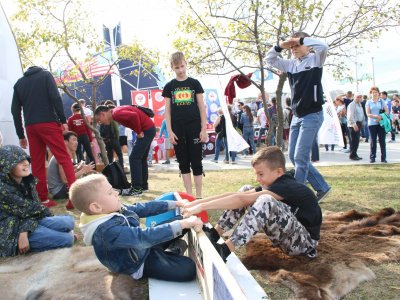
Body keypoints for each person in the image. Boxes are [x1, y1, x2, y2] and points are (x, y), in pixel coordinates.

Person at [183, 146, 321, 262]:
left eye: (261, 174)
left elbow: (242, 200)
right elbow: (239, 196)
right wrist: (198, 202)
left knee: (265, 200)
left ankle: (225, 250)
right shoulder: (277, 182)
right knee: (246, 189)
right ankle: (214, 234)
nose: (257, 179)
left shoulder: (286, 186)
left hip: (304, 246)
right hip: (291, 236)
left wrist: (202, 207)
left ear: (279, 172)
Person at [69, 173, 202, 282]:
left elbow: (142, 208)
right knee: (188, 269)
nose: (116, 193)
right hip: (137, 263)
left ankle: (164, 253)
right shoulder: (106, 231)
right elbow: (143, 237)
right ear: (96, 207)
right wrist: (184, 224)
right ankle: (172, 252)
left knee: (182, 220)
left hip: (141, 246)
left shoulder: (110, 209)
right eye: (110, 193)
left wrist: (176, 204)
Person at [266, 31, 331, 202]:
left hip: (312, 115)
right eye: (292, 46)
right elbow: (270, 59)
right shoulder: (290, 64)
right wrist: (281, 45)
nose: (293, 48)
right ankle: (322, 187)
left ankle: (299, 198)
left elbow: (323, 46)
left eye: (297, 45)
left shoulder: (316, 59)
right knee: (295, 157)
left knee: (301, 158)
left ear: (306, 45)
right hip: (297, 116)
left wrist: (300, 39)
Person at [11, 66, 76, 207]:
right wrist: (63, 120)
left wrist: (20, 134)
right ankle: (74, 198)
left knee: (37, 163)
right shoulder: (46, 76)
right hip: (48, 122)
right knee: (64, 158)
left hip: (30, 127)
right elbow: (55, 98)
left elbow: (15, 111)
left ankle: (42, 199)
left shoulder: (19, 83)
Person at [0, 145, 75, 257]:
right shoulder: (3, 189)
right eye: (19, 161)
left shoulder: (28, 181)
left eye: (26, 159)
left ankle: (48, 233)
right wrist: (23, 233)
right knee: (67, 239)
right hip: (10, 232)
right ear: (6, 166)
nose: (26, 163)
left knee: (69, 221)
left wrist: (24, 230)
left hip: (28, 223)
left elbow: (34, 211)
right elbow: (33, 209)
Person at [162, 52, 208, 198]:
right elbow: (167, 111)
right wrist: (169, 131)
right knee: (183, 163)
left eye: (182, 66)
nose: (180, 70)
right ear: (172, 68)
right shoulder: (169, 86)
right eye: (177, 67)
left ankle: (199, 196)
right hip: (177, 130)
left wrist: (204, 129)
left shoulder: (195, 83)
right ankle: (190, 196)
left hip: (195, 128)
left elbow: (202, 107)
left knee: (196, 162)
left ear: (186, 64)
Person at [95, 105, 156, 196]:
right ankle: (143, 186)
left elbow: (134, 115)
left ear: (102, 114)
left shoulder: (116, 114)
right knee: (140, 158)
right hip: (149, 129)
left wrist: (138, 132)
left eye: (99, 120)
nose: (100, 123)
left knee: (134, 158)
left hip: (146, 130)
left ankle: (136, 188)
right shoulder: (116, 111)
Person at [48, 131, 95, 203]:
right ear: (65, 142)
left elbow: (67, 173)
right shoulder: (61, 156)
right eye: (73, 140)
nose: (76, 142)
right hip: (59, 191)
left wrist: (78, 168)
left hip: (60, 189)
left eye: (77, 140)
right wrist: (83, 170)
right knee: (89, 185)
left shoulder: (64, 154)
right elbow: (65, 180)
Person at [366, 86, 389, 163]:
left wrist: (381, 117)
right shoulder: (368, 102)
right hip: (372, 124)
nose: (374, 94)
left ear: (378, 93)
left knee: (382, 141)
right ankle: (372, 157)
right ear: (370, 94)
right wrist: (376, 116)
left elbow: (387, 111)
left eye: (376, 92)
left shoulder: (382, 101)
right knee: (373, 141)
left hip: (381, 123)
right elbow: (368, 113)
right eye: (373, 92)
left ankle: (383, 158)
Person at [346, 93, 365, 160]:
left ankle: (355, 154)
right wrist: (354, 124)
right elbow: (350, 116)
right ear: (354, 97)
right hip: (353, 124)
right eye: (357, 97)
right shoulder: (352, 105)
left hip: (359, 123)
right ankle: (352, 155)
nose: (358, 98)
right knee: (354, 140)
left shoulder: (360, 105)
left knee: (357, 140)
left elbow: (362, 114)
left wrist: (363, 122)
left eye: (360, 97)